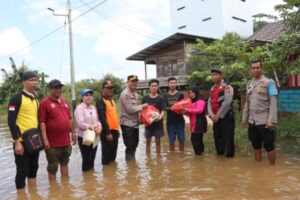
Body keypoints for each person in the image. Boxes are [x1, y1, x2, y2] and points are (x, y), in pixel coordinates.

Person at [7, 71, 40, 192]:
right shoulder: (16, 98)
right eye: (32, 80)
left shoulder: (36, 99)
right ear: (23, 82)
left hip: (34, 140)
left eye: (36, 80)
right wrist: (17, 142)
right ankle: (21, 195)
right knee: (22, 171)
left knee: (34, 168)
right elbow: (11, 121)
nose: (35, 82)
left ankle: (33, 193)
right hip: (21, 141)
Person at [242, 59, 278, 165]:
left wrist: (271, 120)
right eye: (253, 68)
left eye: (258, 67)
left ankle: (272, 170)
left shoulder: (269, 83)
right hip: (252, 121)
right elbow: (247, 103)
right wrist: (244, 118)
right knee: (255, 144)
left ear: (262, 68)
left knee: (269, 145)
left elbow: (273, 103)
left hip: (265, 120)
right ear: (250, 70)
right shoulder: (249, 84)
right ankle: (258, 167)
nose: (256, 70)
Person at [39, 79, 76, 181]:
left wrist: (73, 133)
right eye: (55, 88)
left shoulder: (64, 102)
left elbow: (69, 119)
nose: (58, 90)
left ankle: (65, 187)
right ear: (50, 89)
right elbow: (42, 123)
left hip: (66, 141)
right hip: (52, 143)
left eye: (60, 88)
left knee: (65, 163)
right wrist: (45, 140)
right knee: (53, 167)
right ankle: (53, 190)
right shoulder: (44, 103)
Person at [207, 69, 235, 158]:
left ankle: (230, 161)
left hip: (226, 118)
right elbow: (209, 102)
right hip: (215, 118)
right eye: (212, 75)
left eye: (216, 75)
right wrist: (211, 114)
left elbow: (227, 102)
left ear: (221, 76)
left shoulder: (227, 87)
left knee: (228, 139)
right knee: (217, 139)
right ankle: (220, 160)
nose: (214, 77)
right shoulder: (212, 88)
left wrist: (218, 115)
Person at [120, 75, 148, 161]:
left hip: (135, 124)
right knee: (130, 146)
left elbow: (136, 108)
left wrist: (141, 117)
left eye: (136, 81)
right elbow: (130, 109)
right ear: (127, 82)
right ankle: (130, 167)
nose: (134, 83)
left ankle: (132, 168)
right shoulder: (125, 94)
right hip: (127, 124)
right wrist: (143, 106)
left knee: (134, 145)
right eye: (132, 81)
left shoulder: (136, 94)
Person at [74, 89, 102, 171]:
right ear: (82, 98)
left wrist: (99, 126)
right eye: (86, 96)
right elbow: (81, 123)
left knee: (92, 158)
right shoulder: (79, 108)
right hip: (84, 137)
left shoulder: (93, 108)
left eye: (90, 95)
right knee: (86, 159)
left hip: (95, 136)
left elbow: (97, 121)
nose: (89, 97)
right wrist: (93, 128)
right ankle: (86, 179)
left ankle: (91, 179)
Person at [96, 80, 119, 165]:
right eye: (108, 88)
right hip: (107, 132)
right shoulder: (100, 101)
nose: (110, 90)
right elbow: (102, 118)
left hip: (115, 131)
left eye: (111, 88)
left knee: (113, 156)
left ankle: (111, 175)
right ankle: (106, 175)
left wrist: (117, 130)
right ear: (103, 89)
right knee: (106, 157)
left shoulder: (112, 100)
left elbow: (114, 116)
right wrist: (108, 133)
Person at [142, 79, 166, 153]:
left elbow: (163, 110)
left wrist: (160, 117)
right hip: (148, 124)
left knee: (158, 143)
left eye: (156, 86)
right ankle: (148, 159)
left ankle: (158, 159)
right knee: (148, 143)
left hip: (158, 124)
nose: (154, 87)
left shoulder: (161, 98)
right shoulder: (145, 98)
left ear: (158, 87)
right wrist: (144, 119)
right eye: (152, 86)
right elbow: (142, 110)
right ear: (149, 87)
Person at [163, 77, 185, 151]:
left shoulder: (180, 94)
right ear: (168, 84)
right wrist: (173, 108)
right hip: (170, 122)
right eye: (171, 83)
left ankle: (182, 156)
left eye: (174, 83)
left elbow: (183, 106)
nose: (173, 84)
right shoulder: (165, 95)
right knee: (171, 141)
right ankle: (172, 158)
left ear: (176, 84)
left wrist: (180, 109)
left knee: (181, 140)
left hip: (180, 121)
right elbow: (164, 108)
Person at [184, 86, 207, 155]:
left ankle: (198, 155)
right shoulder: (192, 101)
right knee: (199, 140)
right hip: (194, 123)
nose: (191, 94)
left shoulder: (200, 100)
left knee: (194, 140)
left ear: (196, 91)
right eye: (190, 93)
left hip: (199, 122)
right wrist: (186, 112)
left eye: (193, 92)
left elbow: (199, 110)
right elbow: (191, 113)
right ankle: (201, 155)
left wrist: (188, 110)